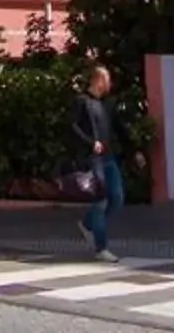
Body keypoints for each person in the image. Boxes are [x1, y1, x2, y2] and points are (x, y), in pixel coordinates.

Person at [70, 65, 122, 262]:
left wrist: (135, 151)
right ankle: (101, 248)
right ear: (97, 80)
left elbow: (117, 127)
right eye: (107, 79)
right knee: (100, 202)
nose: (109, 84)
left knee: (117, 199)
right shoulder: (81, 102)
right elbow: (71, 126)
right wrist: (91, 144)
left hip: (108, 157)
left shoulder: (105, 104)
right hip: (92, 158)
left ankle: (87, 224)